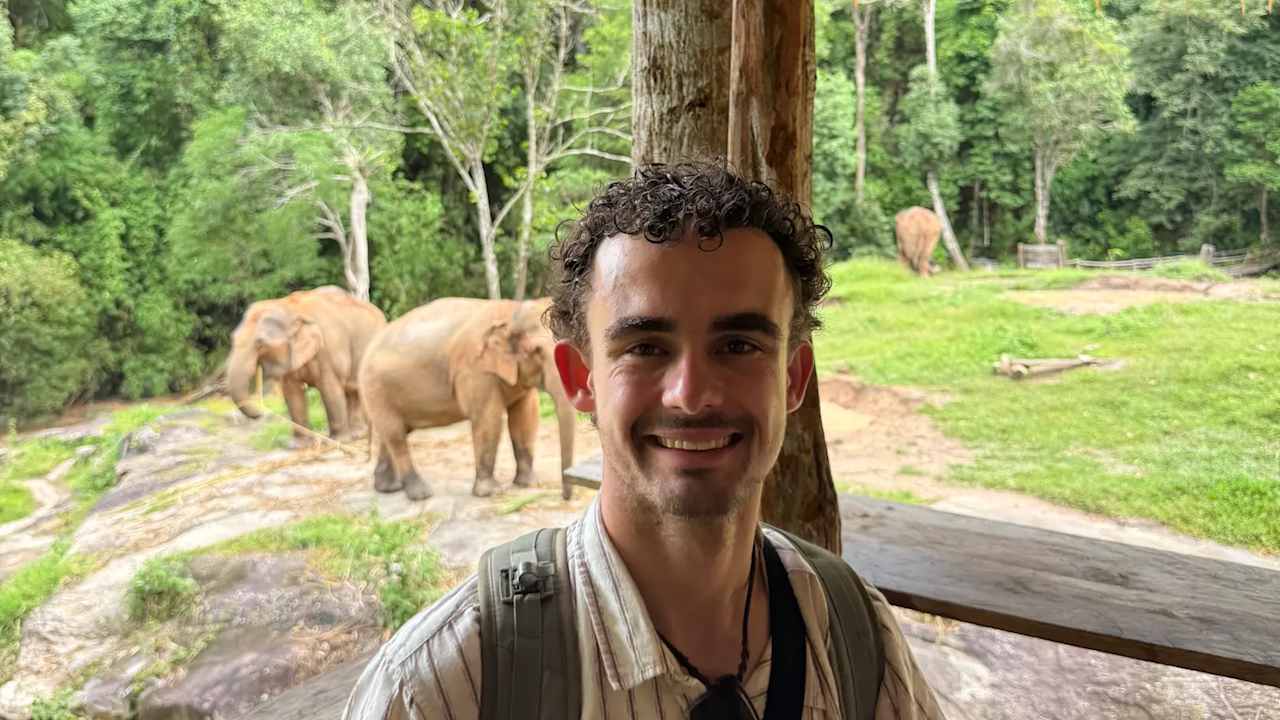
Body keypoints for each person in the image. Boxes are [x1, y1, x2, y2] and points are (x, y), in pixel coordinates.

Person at [342, 162, 944, 719]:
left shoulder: (856, 636)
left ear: (793, 379)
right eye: (645, 348)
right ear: (580, 379)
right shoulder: (442, 686)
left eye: (739, 346)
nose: (691, 394)